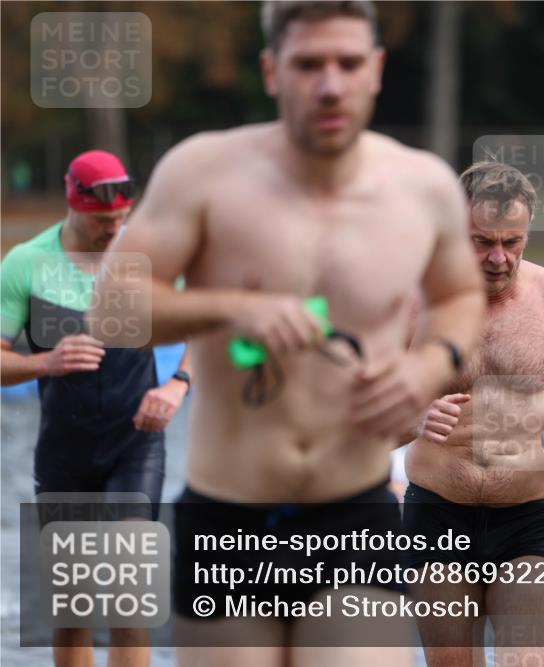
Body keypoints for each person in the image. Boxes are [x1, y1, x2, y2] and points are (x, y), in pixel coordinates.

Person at [90, 2, 485, 666]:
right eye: (308, 64)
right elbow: (110, 308)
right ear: (273, 71)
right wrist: (228, 308)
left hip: (354, 509)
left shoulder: (423, 188)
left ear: (377, 70)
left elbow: (460, 295)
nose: (329, 84)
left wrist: (430, 363)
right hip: (229, 515)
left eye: (348, 63)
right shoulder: (204, 173)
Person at [402, 160, 544, 667]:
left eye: (512, 242)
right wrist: (413, 418)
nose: (498, 257)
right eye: (481, 241)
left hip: (527, 520)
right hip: (438, 514)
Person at [0, 149, 191, 667]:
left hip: (135, 443)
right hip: (65, 451)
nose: (114, 232)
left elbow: (208, 320)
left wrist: (178, 383)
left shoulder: (147, 258)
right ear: (73, 204)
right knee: (73, 611)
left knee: (130, 600)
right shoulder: (26, 263)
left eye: (121, 220)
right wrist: (45, 363)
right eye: (103, 222)